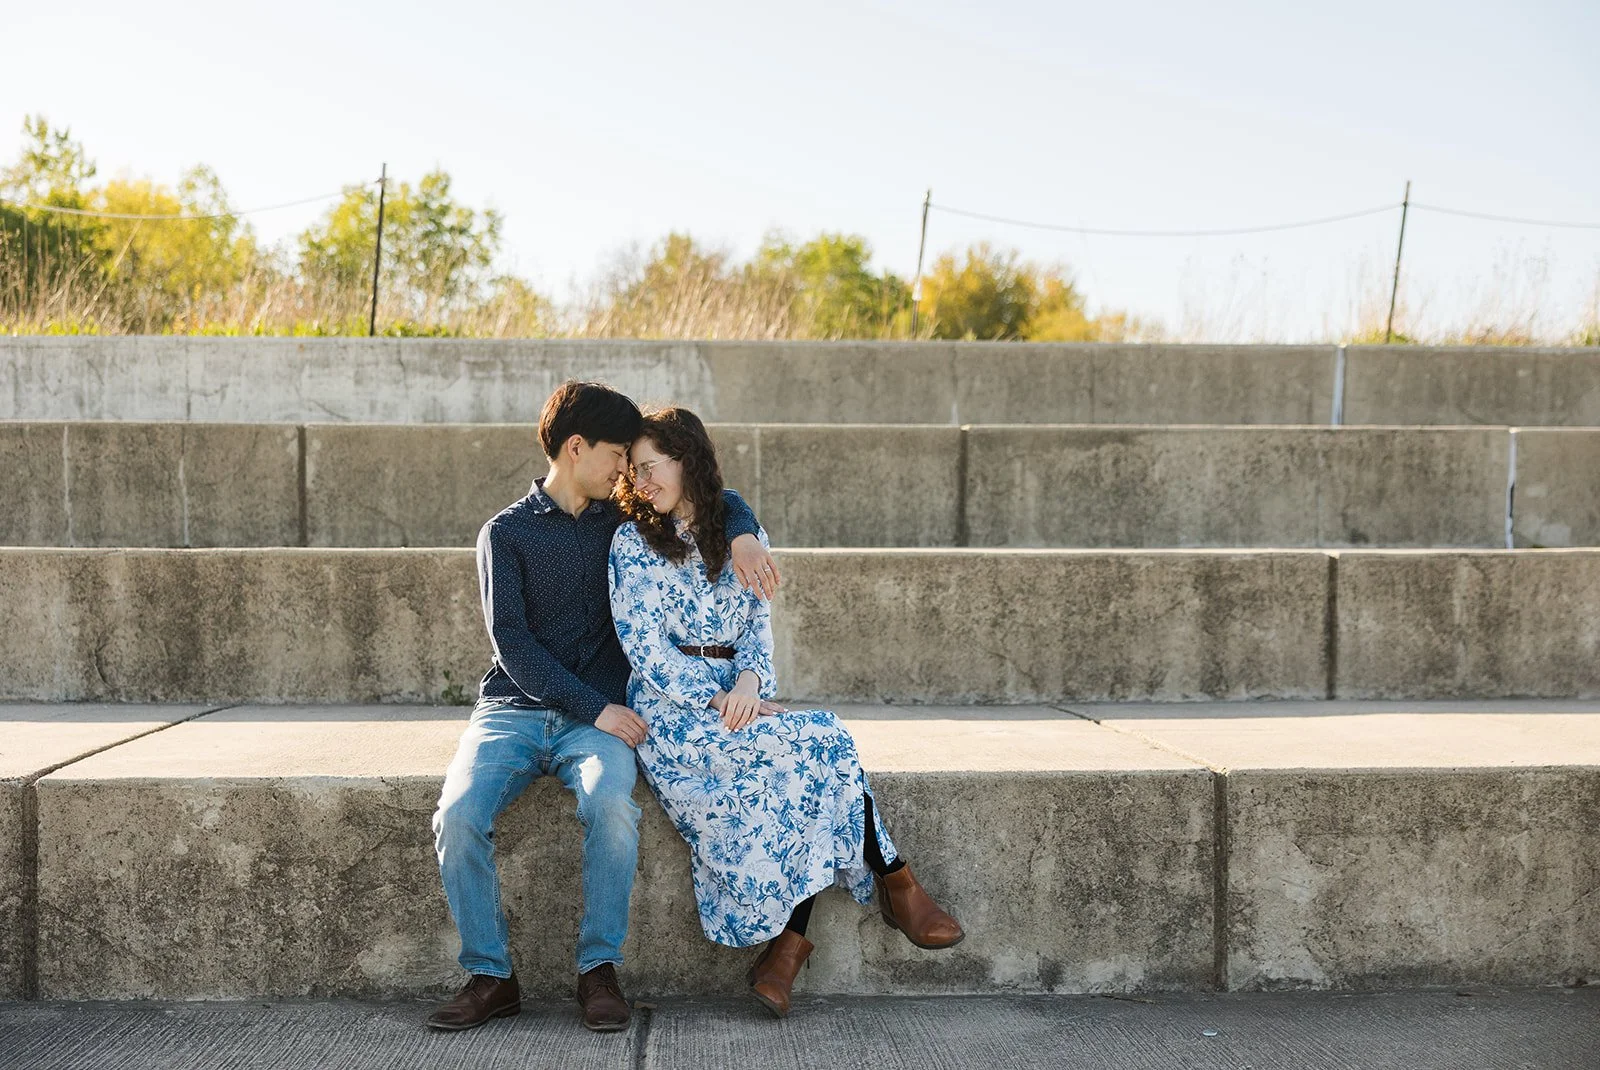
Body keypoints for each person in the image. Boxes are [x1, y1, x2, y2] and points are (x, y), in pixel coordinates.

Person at [429, 382, 782, 1034]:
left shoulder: (624, 521)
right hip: (515, 710)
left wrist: (742, 537)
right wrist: (594, 708)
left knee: (611, 809)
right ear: (575, 446)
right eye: (618, 453)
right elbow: (514, 647)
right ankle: (490, 975)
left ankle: (599, 970)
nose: (627, 468)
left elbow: (713, 494)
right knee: (457, 815)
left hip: (598, 724)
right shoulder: (504, 534)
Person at [607, 406, 963, 1018]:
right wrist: (718, 696)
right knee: (801, 753)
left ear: (686, 458)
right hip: (671, 712)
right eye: (634, 472)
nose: (641, 483)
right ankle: (892, 882)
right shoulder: (631, 542)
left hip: (740, 694)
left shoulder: (741, 532)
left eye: (650, 467)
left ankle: (794, 946)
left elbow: (758, 627)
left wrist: (747, 680)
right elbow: (643, 648)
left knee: (820, 738)